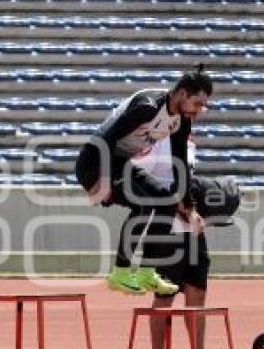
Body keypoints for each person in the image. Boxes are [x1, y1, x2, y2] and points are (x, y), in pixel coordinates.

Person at [74, 64, 212, 296]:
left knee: (168, 201)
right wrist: (103, 181)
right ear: (181, 94)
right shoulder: (147, 107)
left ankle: (147, 272)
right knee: (145, 203)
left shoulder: (181, 121)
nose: (199, 111)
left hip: (120, 163)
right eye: (197, 103)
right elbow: (106, 140)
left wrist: (188, 207)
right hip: (95, 162)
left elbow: (179, 163)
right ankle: (120, 272)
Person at [131, 137, 233, 349]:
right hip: (164, 230)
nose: (197, 111)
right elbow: (139, 178)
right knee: (164, 297)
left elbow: (189, 182)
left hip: (193, 232)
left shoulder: (188, 142)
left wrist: (204, 208)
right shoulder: (155, 142)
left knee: (197, 294)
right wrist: (176, 204)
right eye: (194, 104)